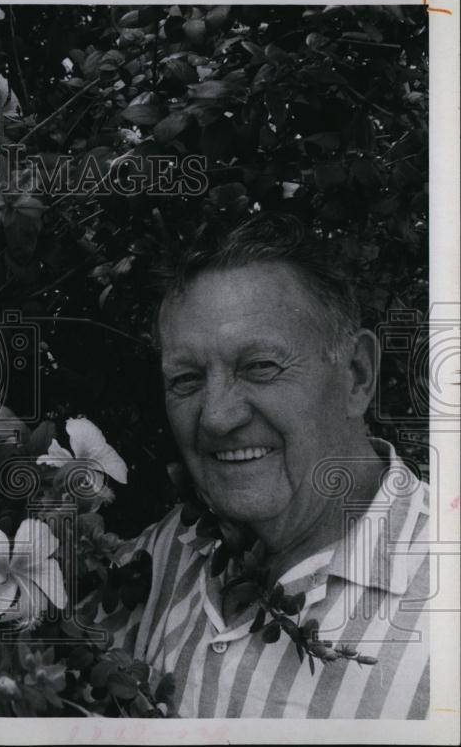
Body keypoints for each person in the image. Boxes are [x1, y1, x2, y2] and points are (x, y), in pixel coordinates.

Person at [95, 212, 430, 718]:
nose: (217, 416)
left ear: (357, 375)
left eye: (260, 367)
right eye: (186, 379)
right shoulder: (166, 551)